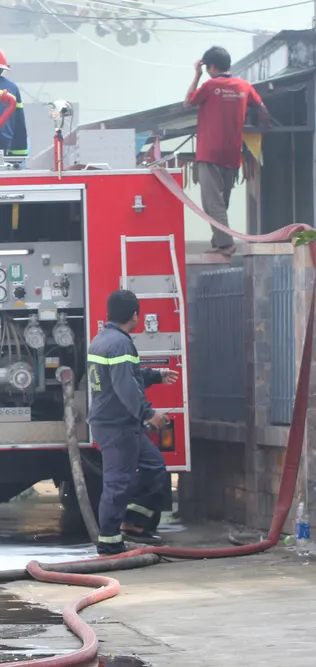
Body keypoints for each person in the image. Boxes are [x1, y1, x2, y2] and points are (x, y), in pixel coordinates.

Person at [87, 290, 179, 555]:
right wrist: (148, 414)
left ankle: (134, 522)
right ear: (135, 315)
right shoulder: (120, 344)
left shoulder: (104, 339)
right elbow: (125, 386)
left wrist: (155, 375)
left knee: (155, 466)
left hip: (117, 424)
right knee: (117, 482)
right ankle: (109, 541)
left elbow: (127, 375)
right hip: (117, 426)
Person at [184, 45, 270, 257]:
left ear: (211, 66)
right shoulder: (244, 86)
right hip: (232, 154)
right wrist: (262, 129)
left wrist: (197, 74)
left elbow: (188, 102)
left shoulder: (210, 85)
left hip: (209, 153)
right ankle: (218, 241)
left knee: (211, 203)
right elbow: (262, 109)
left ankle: (225, 244)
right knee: (222, 203)